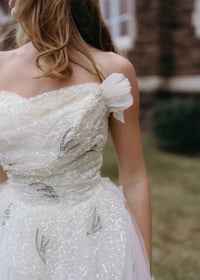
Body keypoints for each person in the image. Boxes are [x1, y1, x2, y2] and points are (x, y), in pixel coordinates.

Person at [0, 0, 152, 279]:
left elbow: (135, 176)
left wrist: (144, 268)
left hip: (93, 232)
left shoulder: (111, 70)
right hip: (16, 229)